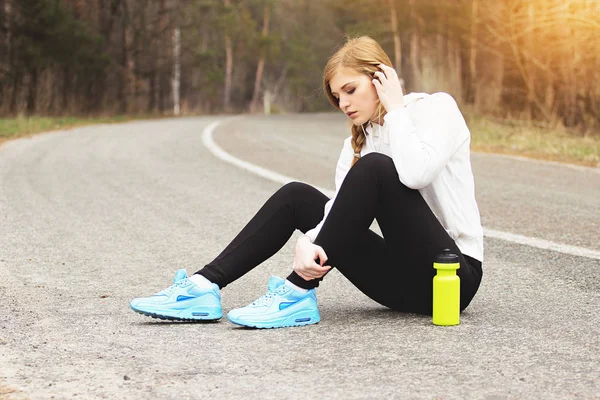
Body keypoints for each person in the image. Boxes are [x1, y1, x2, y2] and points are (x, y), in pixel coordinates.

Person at [130, 36, 484, 329]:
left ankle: (297, 292)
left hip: (451, 280)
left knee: (377, 168)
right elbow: (340, 211)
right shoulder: (355, 144)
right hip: (396, 285)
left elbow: (416, 173)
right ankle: (203, 286)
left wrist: (395, 111)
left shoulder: (436, 109)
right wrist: (310, 240)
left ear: (381, 78)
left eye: (350, 90)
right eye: (337, 97)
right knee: (297, 196)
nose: (343, 103)